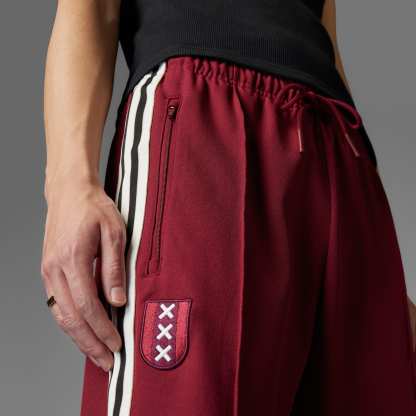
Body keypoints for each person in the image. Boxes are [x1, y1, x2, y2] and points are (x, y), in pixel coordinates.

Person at [42, 0, 416, 415]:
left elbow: (321, 32)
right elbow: (89, 8)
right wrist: (68, 182)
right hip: (206, 115)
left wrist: (378, 262)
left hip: (337, 143)